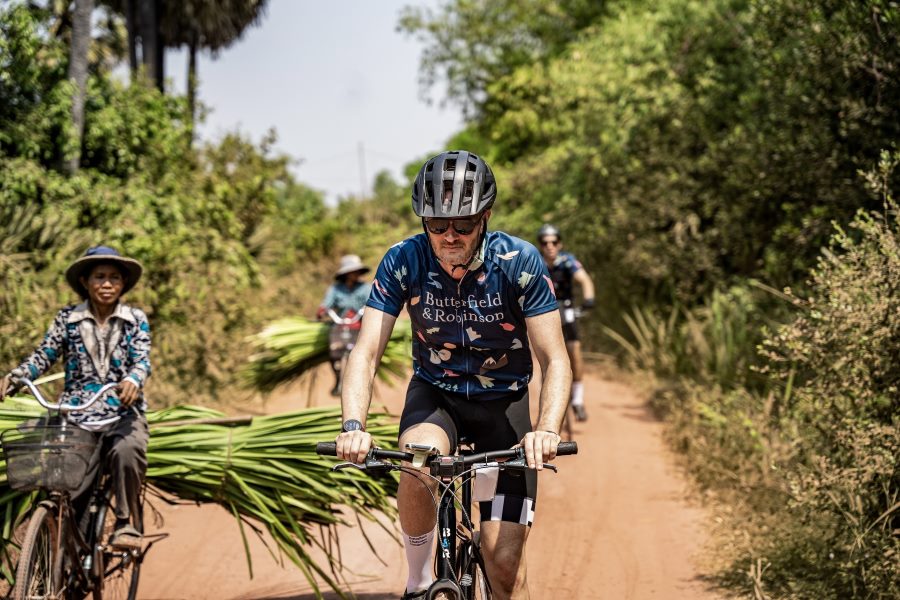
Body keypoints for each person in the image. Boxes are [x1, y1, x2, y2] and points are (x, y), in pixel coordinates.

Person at [335, 150, 571, 600]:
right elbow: (365, 353)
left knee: (504, 569)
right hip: (436, 395)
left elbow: (555, 358)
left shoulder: (518, 262)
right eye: (436, 225)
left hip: (505, 406)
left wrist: (546, 429)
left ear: (484, 216)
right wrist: (353, 426)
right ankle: (420, 578)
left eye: (462, 225)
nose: (448, 236)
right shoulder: (404, 260)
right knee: (418, 457)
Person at [0, 245, 151, 549]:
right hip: (77, 414)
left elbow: (142, 359)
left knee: (127, 451)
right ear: (85, 281)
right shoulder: (67, 319)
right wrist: (16, 378)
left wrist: (133, 379)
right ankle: (64, 552)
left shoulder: (135, 319)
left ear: (123, 283)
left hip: (121, 413)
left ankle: (124, 524)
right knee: (69, 486)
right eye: (99, 277)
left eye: (114, 278)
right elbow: (44, 355)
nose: (106, 284)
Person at [537, 224, 596, 422]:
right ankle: (547, 404)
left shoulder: (567, 261)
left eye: (553, 242)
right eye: (545, 243)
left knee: (575, 351)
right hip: (544, 312)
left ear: (559, 244)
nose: (549, 246)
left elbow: (585, 280)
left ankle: (577, 400)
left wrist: (589, 299)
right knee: (544, 356)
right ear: (541, 245)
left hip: (567, 309)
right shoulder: (535, 262)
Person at [316, 254, 371, 396]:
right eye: (353, 271)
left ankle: (360, 381)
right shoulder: (336, 289)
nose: (356, 274)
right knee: (334, 353)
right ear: (346, 274)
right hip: (340, 324)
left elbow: (372, 303)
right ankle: (337, 378)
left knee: (361, 354)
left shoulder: (365, 288)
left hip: (358, 324)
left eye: (357, 271)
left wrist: (369, 311)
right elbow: (326, 304)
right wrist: (322, 310)